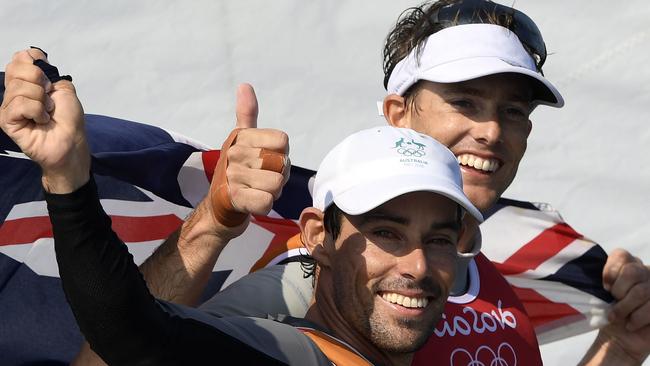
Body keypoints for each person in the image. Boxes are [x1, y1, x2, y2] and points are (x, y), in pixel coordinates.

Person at [66, 0, 650, 365]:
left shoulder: (486, 280)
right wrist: (212, 225)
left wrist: (620, 349)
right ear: (398, 114)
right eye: (465, 101)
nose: (492, 131)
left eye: (514, 111)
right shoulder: (316, 276)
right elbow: (128, 348)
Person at [0, 52, 484, 364]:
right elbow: (132, 334)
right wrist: (69, 179)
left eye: (439, 239)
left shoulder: (487, 317)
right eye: (387, 234)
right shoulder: (288, 351)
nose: (418, 266)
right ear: (317, 237)